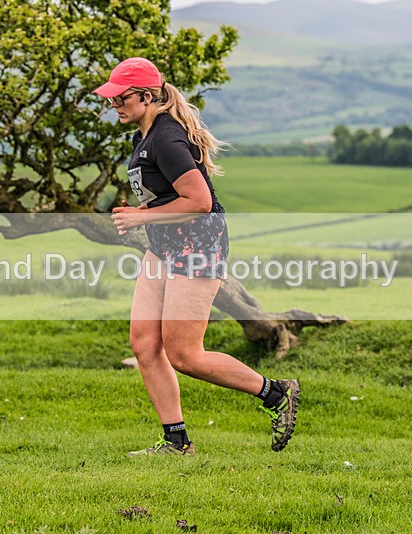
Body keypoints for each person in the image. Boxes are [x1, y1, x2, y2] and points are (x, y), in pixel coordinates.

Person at [95, 57, 300, 456]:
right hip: (164, 244)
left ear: (147, 95)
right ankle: (176, 442)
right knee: (143, 344)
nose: (114, 104)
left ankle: (276, 393)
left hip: (197, 244)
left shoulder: (166, 137)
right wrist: (148, 220)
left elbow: (200, 201)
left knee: (185, 354)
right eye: (112, 98)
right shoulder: (145, 133)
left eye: (121, 97)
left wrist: (142, 216)